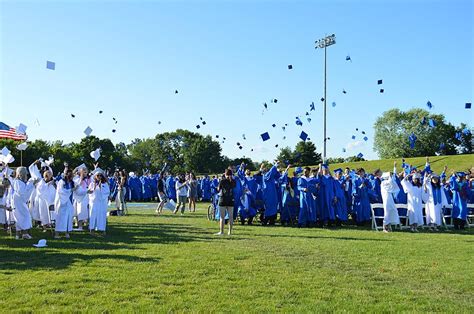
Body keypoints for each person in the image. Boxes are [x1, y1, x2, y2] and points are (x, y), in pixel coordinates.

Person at [12, 167, 37, 240]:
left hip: (19, 201)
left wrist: (31, 184)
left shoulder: (20, 182)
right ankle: (24, 234)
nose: (26, 175)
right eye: (25, 174)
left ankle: (20, 234)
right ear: (21, 174)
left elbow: (25, 190)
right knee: (24, 216)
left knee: (21, 217)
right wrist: (32, 185)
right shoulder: (17, 182)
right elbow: (23, 193)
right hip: (18, 201)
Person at [54, 165, 78, 239]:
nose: (71, 176)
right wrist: (71, 190)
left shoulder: (72, 182)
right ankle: (57, 233)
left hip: (69, 202)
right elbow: (61, 191)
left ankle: (67, 232)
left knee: (68, 217)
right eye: (69, 174)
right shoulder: (61, 182)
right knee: (60, 217)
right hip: (61, 202)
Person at [88, 168, 110, 235]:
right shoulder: (92, 184)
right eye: (98, 176)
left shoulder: (105, 184)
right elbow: (89, 192)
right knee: (93, 215)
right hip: (94, 202)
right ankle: (92, 229)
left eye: (100, 175)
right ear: (95, 176)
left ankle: (102, 230)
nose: (99, 177)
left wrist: (101, 188)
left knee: (102, 215)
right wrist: (94, 188)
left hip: (102, 203)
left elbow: (107, 192)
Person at [381, 162, 401, 233]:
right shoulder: (383, 183)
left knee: (392, 211)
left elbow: (393, 179)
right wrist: (391, 174)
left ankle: (389, 226)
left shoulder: (388, 181)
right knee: (387, 212)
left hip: (390, 198)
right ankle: (385, 227)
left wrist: (394, 168)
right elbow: (391, 181)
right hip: (386, 199)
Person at [216, 168, 236, 235]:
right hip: (230, 199)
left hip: (223, 199)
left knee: (222, 217)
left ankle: (221, 231)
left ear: (225, 173)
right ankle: (229, 232)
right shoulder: (233, 181)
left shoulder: (222, 181)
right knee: (231, 217)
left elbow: (218, 189)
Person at [73, 165, 90, 230]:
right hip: (79, 198)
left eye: (85, 172)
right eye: (83, 172)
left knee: (88, 211)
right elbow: (77, 187)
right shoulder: (76, 179)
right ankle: (80, 226)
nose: (84, 173)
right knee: (79, 211)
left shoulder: (88, 179)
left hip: (87, 197)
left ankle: (89, 225)